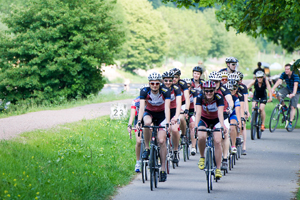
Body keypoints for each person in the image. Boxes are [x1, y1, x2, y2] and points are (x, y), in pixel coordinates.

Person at [136, 72, 171, 182]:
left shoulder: (165, 91)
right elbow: (141, 108)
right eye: (152, 83)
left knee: (161, 141)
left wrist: (168, 122)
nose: (154, 85)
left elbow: (167, 108)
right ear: (149, 83)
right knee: (146, 123)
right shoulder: (144, 91)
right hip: (149, 112)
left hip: (162, 115)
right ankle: (147, 148)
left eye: (156, 83)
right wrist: (138, 121)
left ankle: (163, 170)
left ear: (160, 83)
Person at [195, 80, 228, 179]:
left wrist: (222, 126)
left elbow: (220, 113)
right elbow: (198, 113)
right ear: (203, 91)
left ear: (214, 90)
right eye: (206, 91)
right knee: (201, 136)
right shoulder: (200, 97)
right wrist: (196, 126)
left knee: (217, 141)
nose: (209, 93)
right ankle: (202, 157)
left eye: (211, 91)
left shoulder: (219, 97)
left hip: (216, 120)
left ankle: (218, 168)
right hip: (204, 119)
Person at [209, 71, 232, 170]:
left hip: (223, 115)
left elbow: (230, 100)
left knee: (225, 134)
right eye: (213, 82)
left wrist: (230, 107)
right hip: (210, 116)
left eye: (217, 82)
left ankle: (225, 158)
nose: (215, 84)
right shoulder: (207, 90)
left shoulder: (223, 89)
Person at [271, 64, 300, 129]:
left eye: (288, 69)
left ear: (291, 69)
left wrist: (293, 93)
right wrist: (273, 88)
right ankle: (284, 107)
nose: (286, 71)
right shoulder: (284, 74)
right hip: (288, 88)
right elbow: (279, 80)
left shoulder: (295, 74)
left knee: (292, 107)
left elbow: (296, 85)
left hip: (297, 90)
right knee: (278, 94)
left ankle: (290, 122)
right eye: (285, 69)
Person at [162, 71, 182, 164]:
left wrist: (177, 116)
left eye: (170, 80)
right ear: (163, 80)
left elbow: (178, 104)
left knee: (174, 129)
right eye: (166, 81)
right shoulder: (160, 88)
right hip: (163, 112)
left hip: (174, 111)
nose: (168, 83)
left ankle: (175, 150)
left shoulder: (176, 89)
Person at [170, 68, 190, 145]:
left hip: (182, 103)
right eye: (173, 77)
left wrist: (187, 109)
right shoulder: (168, 83)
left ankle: (183, 135)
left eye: (176, 77)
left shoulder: (182, 83)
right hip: (172, 104)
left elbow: (187, 97)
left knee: (181, 118)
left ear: (179, 77)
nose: (174, 79)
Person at [183, 78, 198, 155]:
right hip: (183, 111)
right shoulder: (181, 92)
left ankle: (193, 147)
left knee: (192, 125)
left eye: (189, 86)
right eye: (186, 86)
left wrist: (195, 112)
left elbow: (196, 103)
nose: (187, 88)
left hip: (192, 110)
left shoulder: (194, 92)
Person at [236, 71, 249, 155]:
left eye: (240, 79)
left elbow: (245, 100)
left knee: (243, 123)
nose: (238, 81)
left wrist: (246, 111)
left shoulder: (243, 87)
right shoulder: (231, 86)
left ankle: (244, 146)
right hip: (235, 106)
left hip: (242, 105)